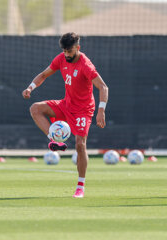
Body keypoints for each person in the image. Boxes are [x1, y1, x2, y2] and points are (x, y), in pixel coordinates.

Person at [22, 32, 108, 198]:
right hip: (66, 105)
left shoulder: (85, 64)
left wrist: (101, 111)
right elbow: (43, 75)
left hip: (83, 110)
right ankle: (55, 140)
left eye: (70, 51)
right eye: (65, 51)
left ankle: (80, 186)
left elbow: (103, 87)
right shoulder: (61, 58)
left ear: (78, 48)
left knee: (80, 145)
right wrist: (30, 88)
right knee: (35, 109)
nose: (67, 54)